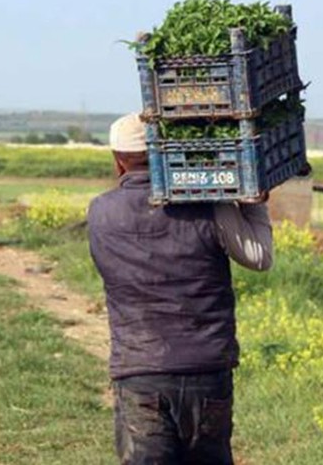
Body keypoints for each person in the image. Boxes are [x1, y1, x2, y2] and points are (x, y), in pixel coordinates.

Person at [87, 113, 273, 465]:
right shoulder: (208, 204)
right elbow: (259, 257)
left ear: (117, 162)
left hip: (139, 369)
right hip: (206, 369)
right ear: (165, 152)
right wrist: (253, 198)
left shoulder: (100, 213)